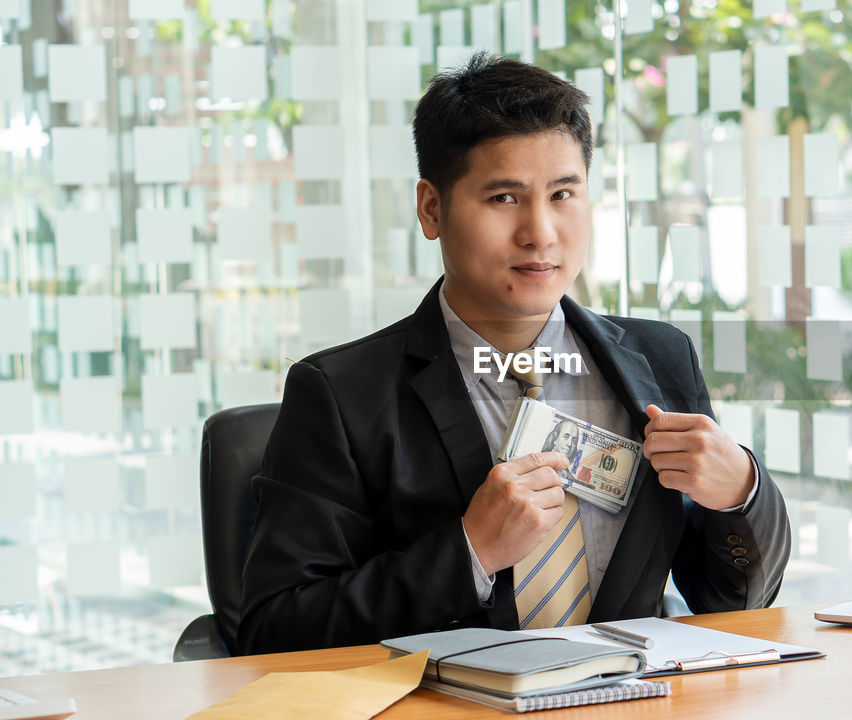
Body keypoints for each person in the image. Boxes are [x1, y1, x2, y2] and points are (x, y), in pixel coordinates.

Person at [237, 52, 790, 654]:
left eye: (562, 194)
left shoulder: (660, 358)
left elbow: (732, 605)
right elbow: (274, 633)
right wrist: (469, 551)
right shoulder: (342, 394)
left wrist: (742, 494)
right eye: (504, 198)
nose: (540, 232)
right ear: (431, 209)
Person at [542, 419, 580, 485]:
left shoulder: (572, 481)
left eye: (574, 441)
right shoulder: (538, 463)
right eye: (566, 437)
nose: (569, 444)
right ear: (555, 438)